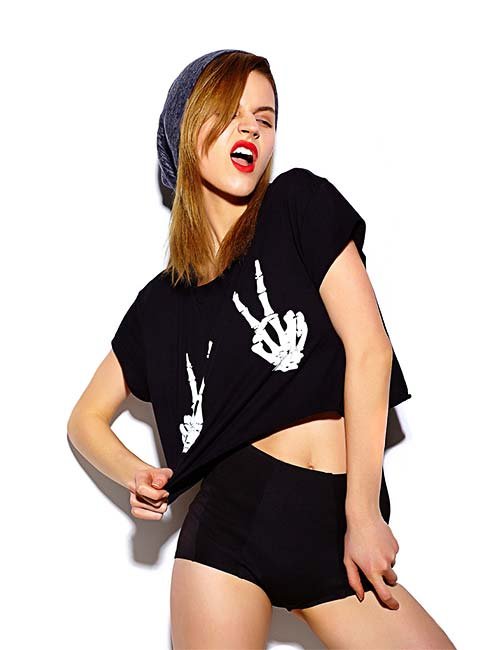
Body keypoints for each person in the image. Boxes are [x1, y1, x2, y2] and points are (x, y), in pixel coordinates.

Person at [67, 49, 455, 649]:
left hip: (338, 523)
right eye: (230, 113)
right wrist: (135, 474)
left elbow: (370, 352)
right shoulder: (161, 305)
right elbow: (84, 419)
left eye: (265, 118)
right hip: (230, 528)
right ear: (185, 130)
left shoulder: (298, 204)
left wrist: (362, 514)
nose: (251, 128)